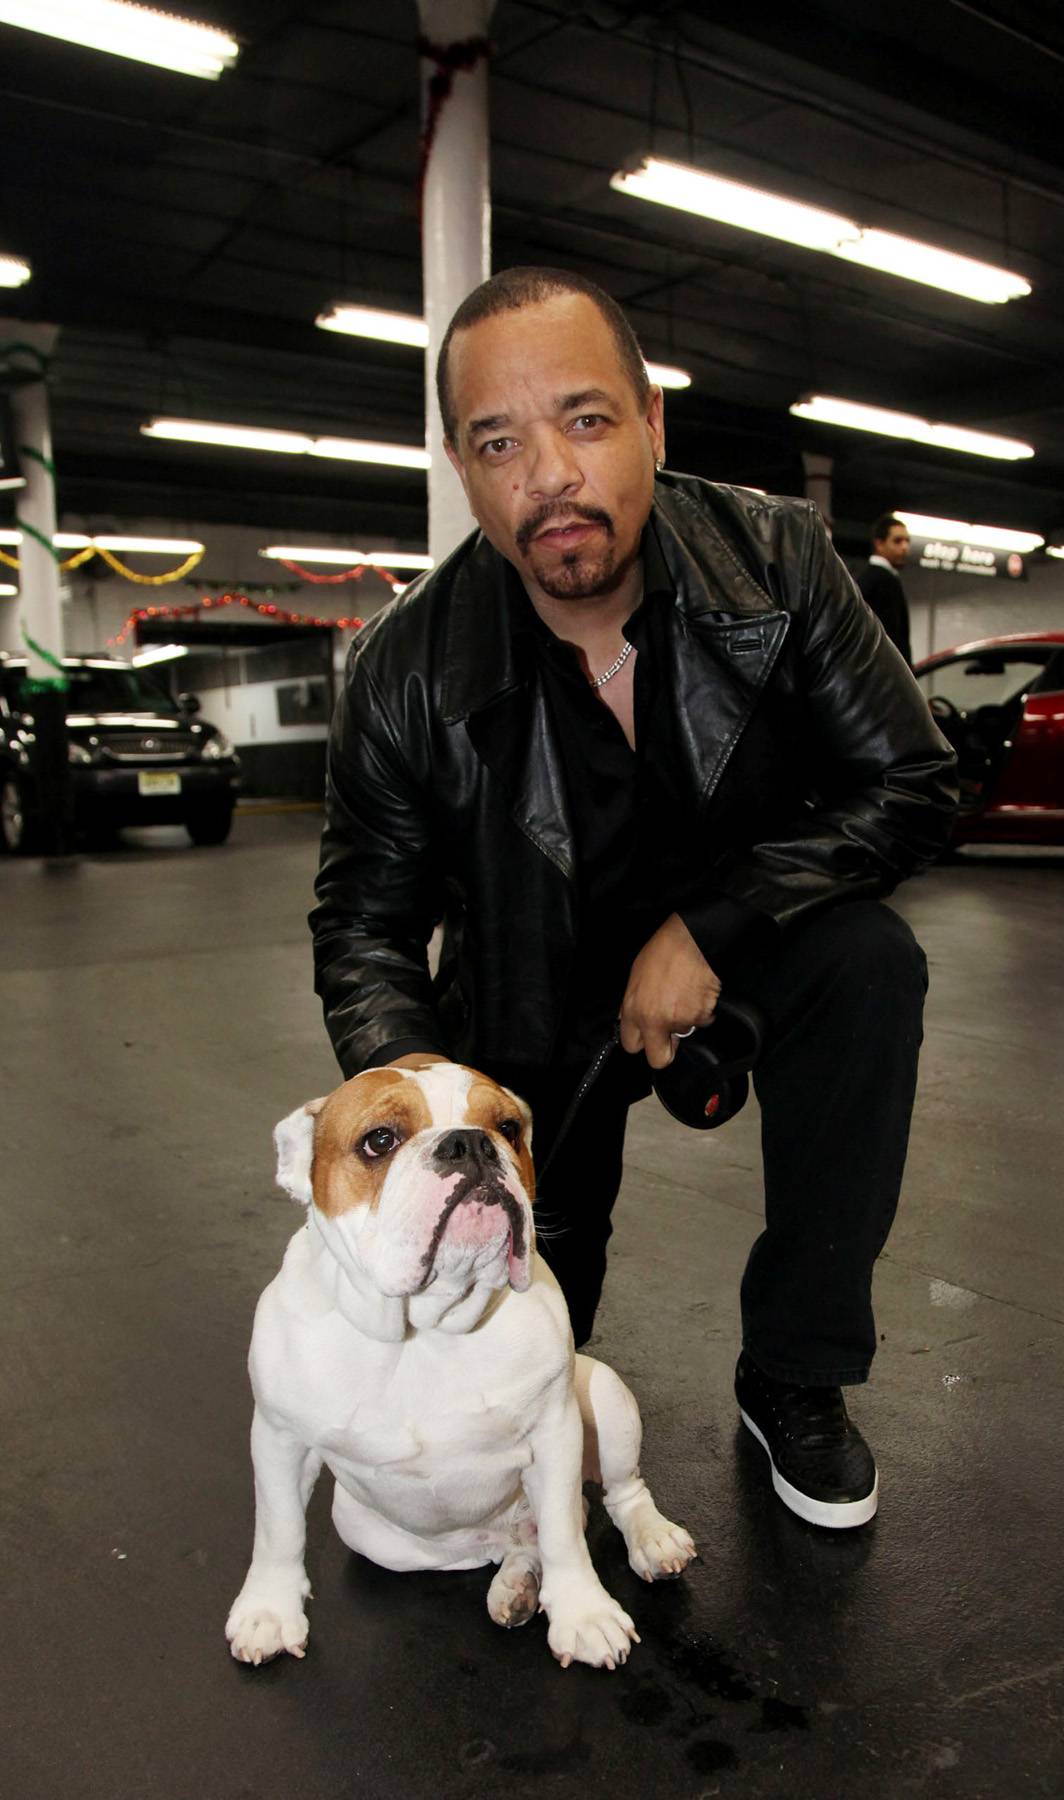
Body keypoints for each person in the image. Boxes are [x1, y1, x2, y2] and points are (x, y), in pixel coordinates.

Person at [310, 267, 957, 1530]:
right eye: (499, 442)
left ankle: (795, 1377)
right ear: (461, 466)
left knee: (870, 964)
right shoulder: (401, 673)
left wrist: (710, 927)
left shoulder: (775, 560)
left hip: (752, 947)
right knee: (516, 1381)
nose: (547, 473)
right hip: (529, 1004)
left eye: (586, 420)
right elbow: (365, 922)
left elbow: (912, 781)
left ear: (653, 424)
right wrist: (424, 1112)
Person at [857, 514, 913, 663]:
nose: (904, 547)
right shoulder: (884, 581)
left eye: (907, 541)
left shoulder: (867, 578)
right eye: (897, 541)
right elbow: (893, 639)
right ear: (879, 544)